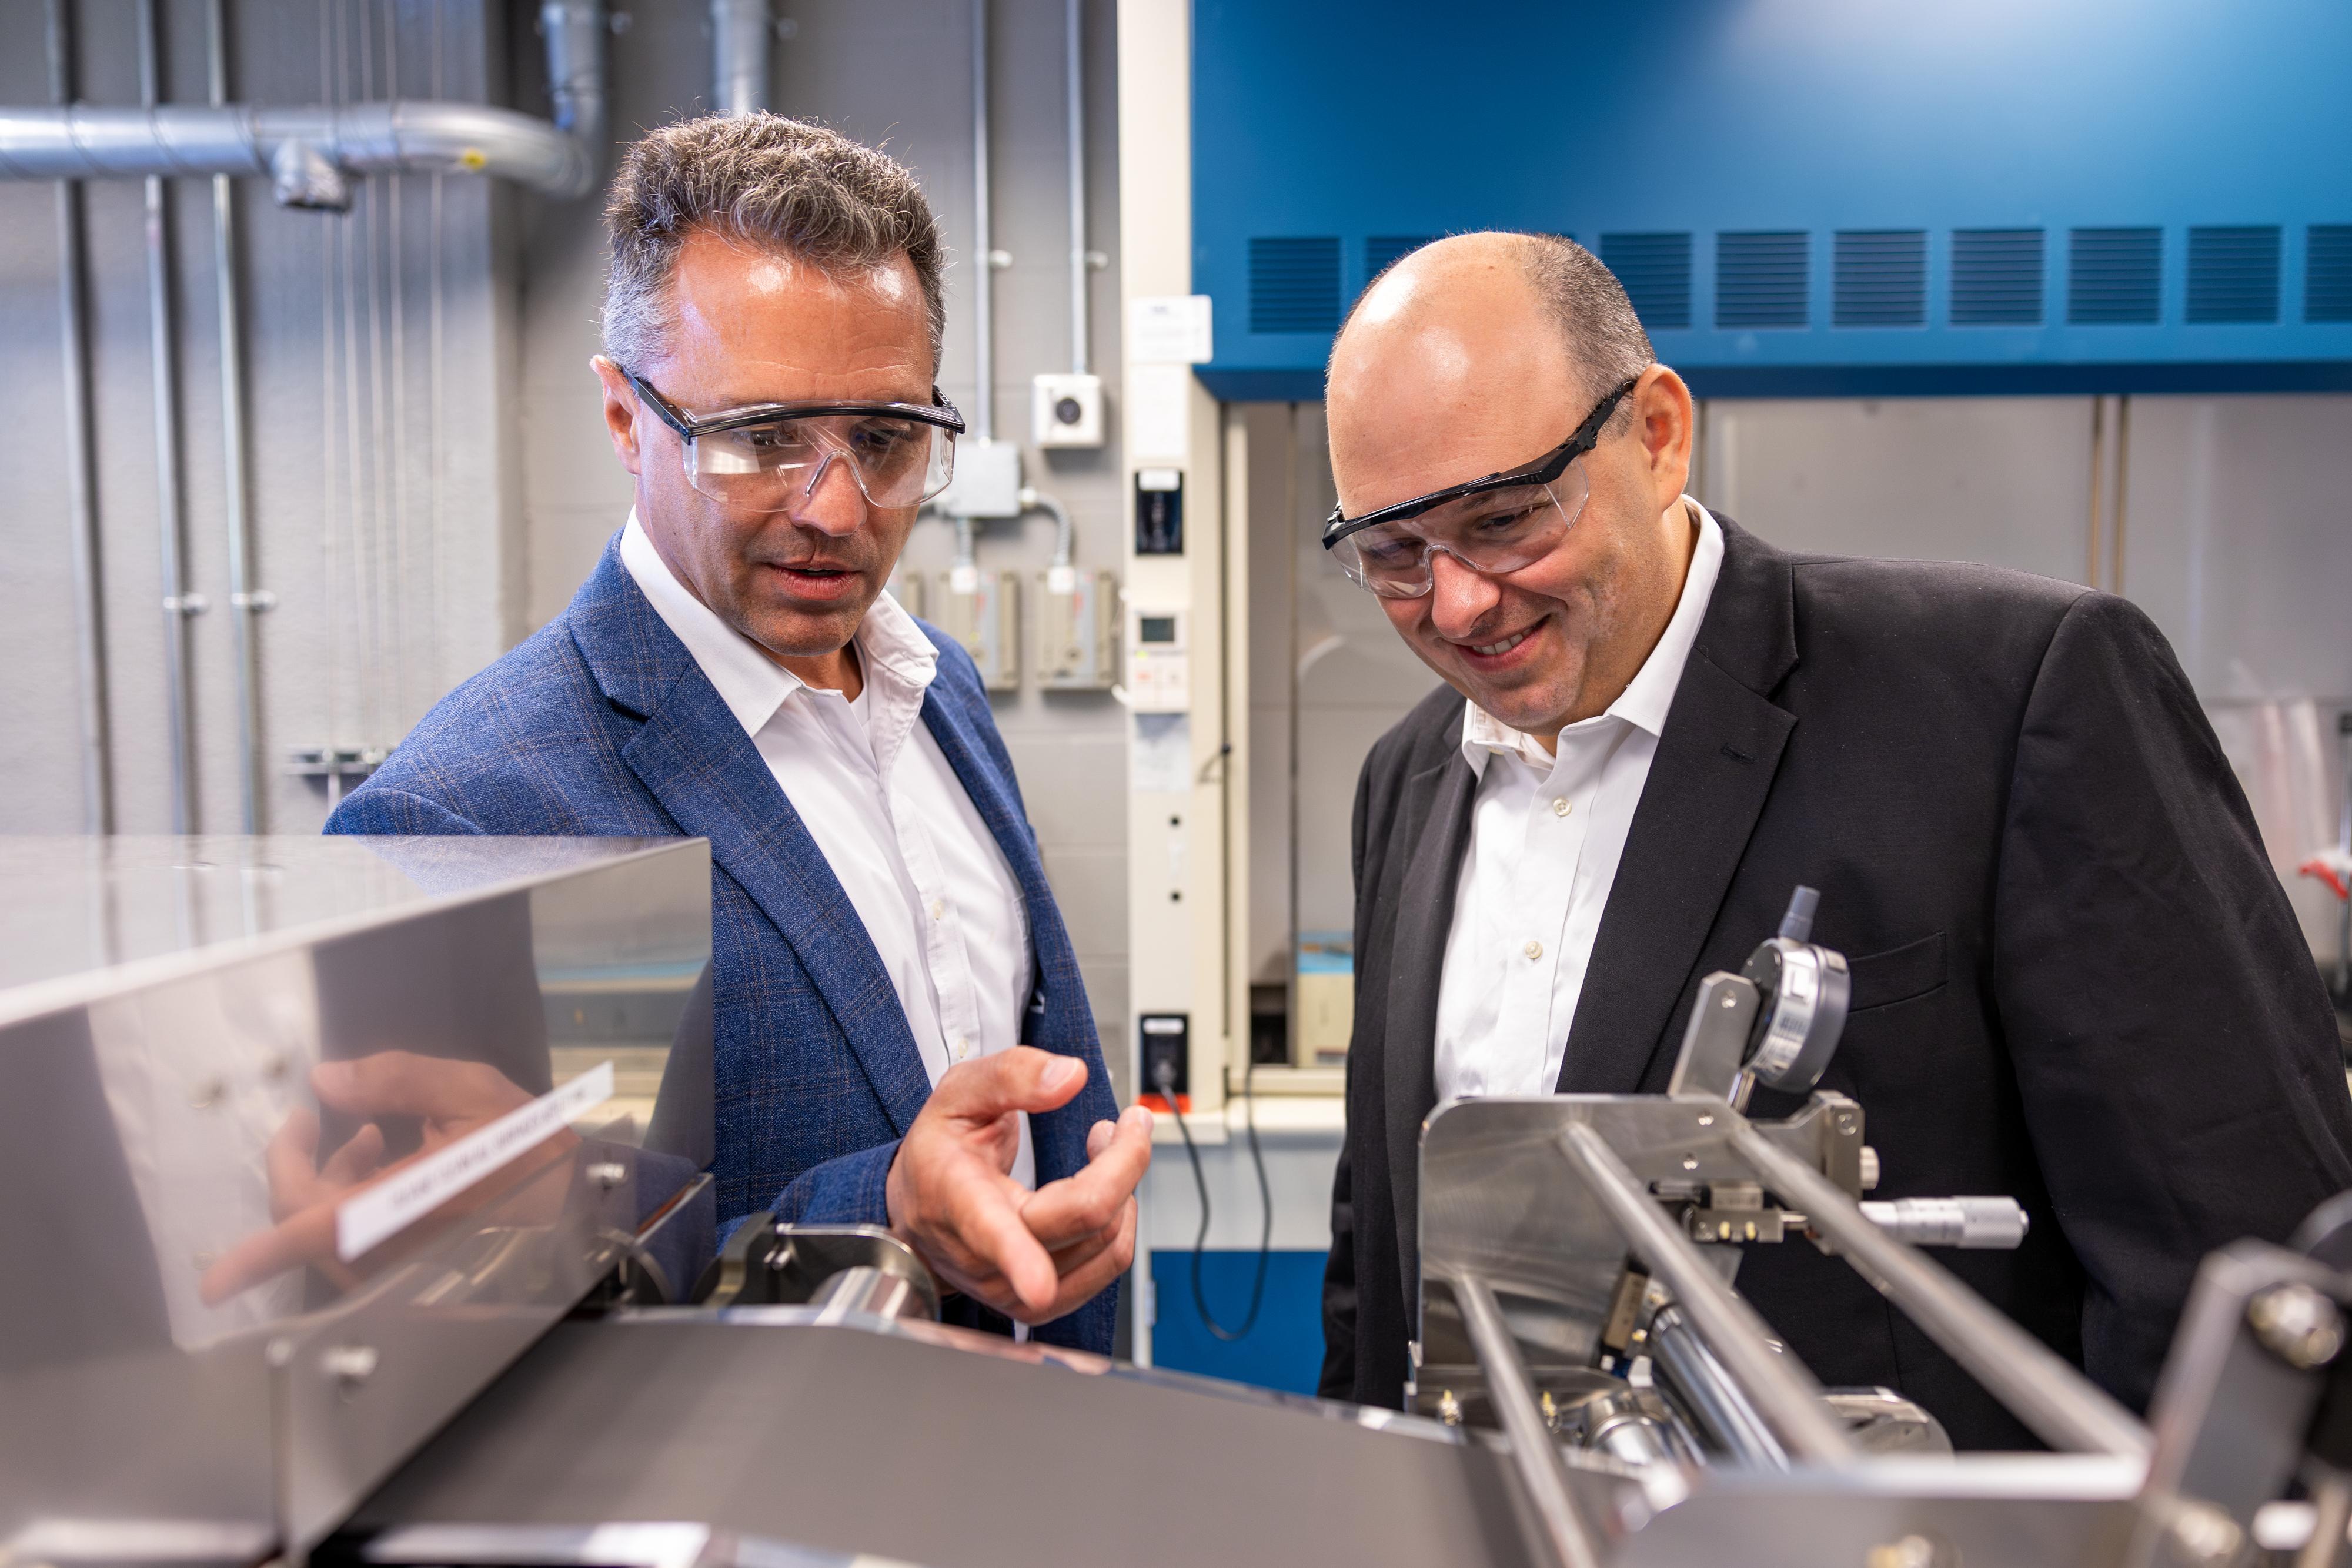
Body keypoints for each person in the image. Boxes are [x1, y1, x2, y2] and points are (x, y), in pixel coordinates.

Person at [1315, 231, 2352, 1446]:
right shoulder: (1410, 777)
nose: (1455, 603)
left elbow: (2237, 1258)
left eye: (1501, 521)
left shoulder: (2007, 697)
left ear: (1654, 434)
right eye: (1392, 554)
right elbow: (1377, 1254)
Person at [326, 113, 1148, 1353]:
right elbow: (437, 1338)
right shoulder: (463, 816)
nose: (834, 509)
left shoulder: (940, 693)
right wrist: (878, 1215)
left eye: (883, 439)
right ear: (622, 415)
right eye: (760, 437)